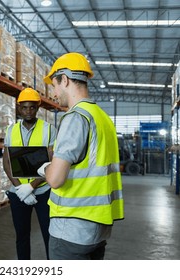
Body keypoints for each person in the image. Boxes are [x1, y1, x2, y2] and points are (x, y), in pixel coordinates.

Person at [39, 52, 124, 260]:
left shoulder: (75, 118)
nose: (54, 93)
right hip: (98, 228)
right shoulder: (102, 118)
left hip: (71, 228)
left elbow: (56, 179)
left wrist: (45, 168)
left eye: (54, 85)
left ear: (65, 80)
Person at [2, 88, 56, 260]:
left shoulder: (48, 130)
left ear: (38, 107)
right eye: (24, 107)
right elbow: (6, 161)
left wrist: (31, 186)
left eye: (32, 107)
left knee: (49, 236)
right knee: (22, 236)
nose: (28, 111)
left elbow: (53, 164)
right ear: (19, 108)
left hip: (43, 192)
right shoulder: (11, 130)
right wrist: (20, 189)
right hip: (18, 193)